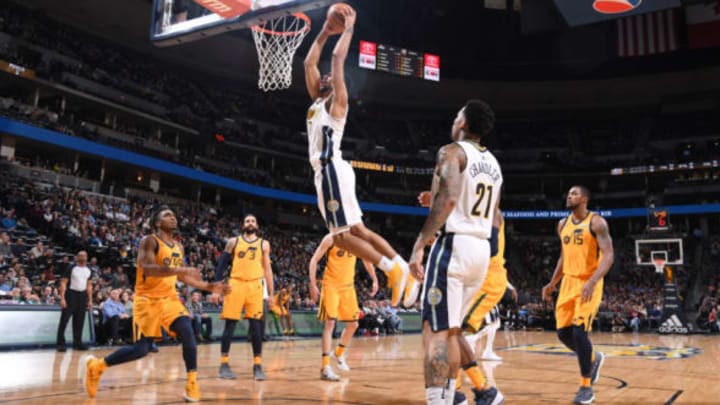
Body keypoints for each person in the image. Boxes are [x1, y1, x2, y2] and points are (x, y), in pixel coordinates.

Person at [303, 5, 415, 308]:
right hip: (333, 170)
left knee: (341, 237)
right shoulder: (316, 100)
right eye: (323, 76)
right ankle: (402, 266)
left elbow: (338, 59)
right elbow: (309, 62)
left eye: (331, 77)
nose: (325, 75)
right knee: (358, 230)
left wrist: (350, 26)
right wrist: (325, 32)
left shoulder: (337, 102)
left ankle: (391, 269)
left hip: (330, 168)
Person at [408, 100, 503, 405]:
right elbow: (491, 213)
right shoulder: (495, 165)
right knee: (451, 331)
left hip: (454, 246)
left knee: (434, 331)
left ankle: (438, 401)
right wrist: (435, 198)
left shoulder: (451, 151)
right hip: (480, 250)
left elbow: (449, 200)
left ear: (463, 123)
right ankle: (451, 397)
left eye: (456, 115)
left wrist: (420, 244)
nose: (454, 120)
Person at [83, 206, 230, 402]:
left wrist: (210, 286)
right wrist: (182, 269)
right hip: (147, 300)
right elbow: (150, 268)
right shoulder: (149, 241)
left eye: (174, 214)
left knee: (187, 331)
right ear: (157, 222)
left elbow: (182, 276)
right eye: (167, 215)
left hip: (169, 299)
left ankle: (192, 382)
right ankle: (97, 366)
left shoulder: (179, 247)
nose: (173, 217)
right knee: (141, 349)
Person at [542, 186, 614, 405]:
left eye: (573, 193)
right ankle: (594, 358)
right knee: (563, 334)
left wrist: (592, 281)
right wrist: (552, 282)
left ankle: (586, 387)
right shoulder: (562, 224)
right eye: (568, 193)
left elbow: (609, 255)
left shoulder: (596, 222)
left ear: (584, 198)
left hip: (588, 283)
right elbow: (563, 259)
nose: (568, 196)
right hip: (568, 283)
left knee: (580, 333)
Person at [212, 214, 274, 381]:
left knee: (256, 328)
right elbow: (221, 266)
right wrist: (216, 289)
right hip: (235, 284)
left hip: (255, 286)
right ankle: (224, 364)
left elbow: (268, 271)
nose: (250, 223)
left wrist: (272, 294)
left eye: (253, 221)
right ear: (243, 224)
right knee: (230, 325)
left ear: (257, 225)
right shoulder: (233, 242)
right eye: (247, 221)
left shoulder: (264, 244)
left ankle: (258, 365)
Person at [309, 233, 378, 381]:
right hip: (331, 285)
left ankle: (339, 353)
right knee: (330, 323)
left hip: (348, 287)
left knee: (353, 324)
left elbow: (366, 260)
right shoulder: (330, 239)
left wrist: (374, 278)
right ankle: (325, 367)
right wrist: (313, 284)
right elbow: (314, 260)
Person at [56, 250, 93, 352]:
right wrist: (62, 298)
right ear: (77, 257)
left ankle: (77, 343)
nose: (82, 257)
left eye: (84, 255)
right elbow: (63, 283)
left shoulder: (89, 270)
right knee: (64, 320)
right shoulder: (71, 267)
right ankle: (60, 344)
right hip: (70, 294)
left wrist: (90, 300)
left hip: (82, 295)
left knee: (79, 321)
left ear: (87, 257)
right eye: (80, 255)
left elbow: (89, 285)